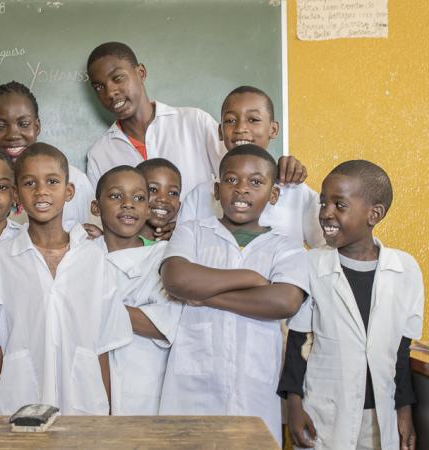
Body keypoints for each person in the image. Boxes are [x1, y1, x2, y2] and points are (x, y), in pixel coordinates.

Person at [159, 144, 309, 444]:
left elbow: (284, 301)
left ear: (274, 194)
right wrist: (250, 279)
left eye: (256, 182)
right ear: (216, 189)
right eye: (231, 180)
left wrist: (206, 295)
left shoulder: (286, 246)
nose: (241, 190)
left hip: (254, 390)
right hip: (191, 389)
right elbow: (175, 278)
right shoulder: (193, 232)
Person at [279, 161, 423, 450]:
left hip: (381, 418)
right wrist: (293, 407)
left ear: (374, 214)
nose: (326, 213)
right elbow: (298, 343)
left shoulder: (405, 270)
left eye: (339, 205)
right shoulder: (309, 265)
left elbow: (401, 351)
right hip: (323, 413)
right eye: (323, 202)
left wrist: (404, 410)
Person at [0, 143, 132, 415]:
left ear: (69, 191)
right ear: (16, 194)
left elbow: (103, 345)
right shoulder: (1, 257)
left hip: (83, 401)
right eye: (29, 183)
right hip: (20, 398)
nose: (41, 191)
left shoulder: (93, 258)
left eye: (52, 181)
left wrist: (108, 415)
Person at [85, 43, 305, 197]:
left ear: (141, 72)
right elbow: (102, 218)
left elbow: (241, 169)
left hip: (202, 252)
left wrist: (281, 169)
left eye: (118, 78)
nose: (111, 92)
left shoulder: (194, 122)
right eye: (99, 87)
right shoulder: (100, 153)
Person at [178, 86, 323, 247]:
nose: (240, 129)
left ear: (273, 129)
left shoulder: (296, 192)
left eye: (253, 120)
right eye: (230, 121)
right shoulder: (200, 196)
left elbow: (326, 248)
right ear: (220, 132)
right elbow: (180, 255)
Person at [89, 165, 181, 415]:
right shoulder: (81, 253)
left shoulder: (163, 257)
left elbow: (163, 325)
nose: (128, 204)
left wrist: (93, 306)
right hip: (88, 381)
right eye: (117, 196)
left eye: (139, 198)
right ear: (95, 207)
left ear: (147, 208)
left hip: (144, 382)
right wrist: (133, 312)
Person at [0, 81, 95, 230]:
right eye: (0, 126)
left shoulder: (75, 179)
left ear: (36, 127)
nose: (12, 135)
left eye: (23, 124)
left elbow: (88, 237)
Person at [136, 158, 182, 242]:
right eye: (153, 189)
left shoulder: (182, 242)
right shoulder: (119, 243)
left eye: (173, 193)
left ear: (179, 204)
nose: (164, 199)